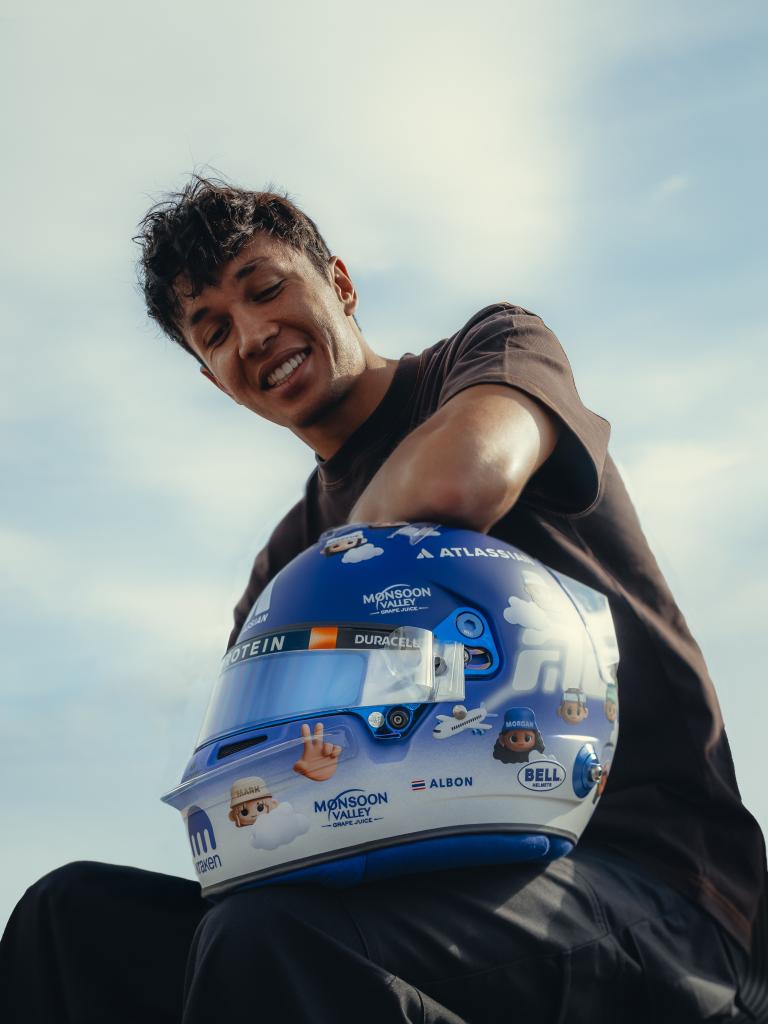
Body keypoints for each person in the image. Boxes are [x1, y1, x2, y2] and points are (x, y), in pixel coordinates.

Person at [1, 176, 764, 1023]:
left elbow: (464, 478)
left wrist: (335, 585)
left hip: (648, 885)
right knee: (67, 920)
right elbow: (262, 789)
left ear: (340, 282)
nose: (253, 335)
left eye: (266, 287)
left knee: (264, 939)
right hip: (411, 884)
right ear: (214, 379)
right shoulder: (285, 561)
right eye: (214, 332)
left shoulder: (492, 356)